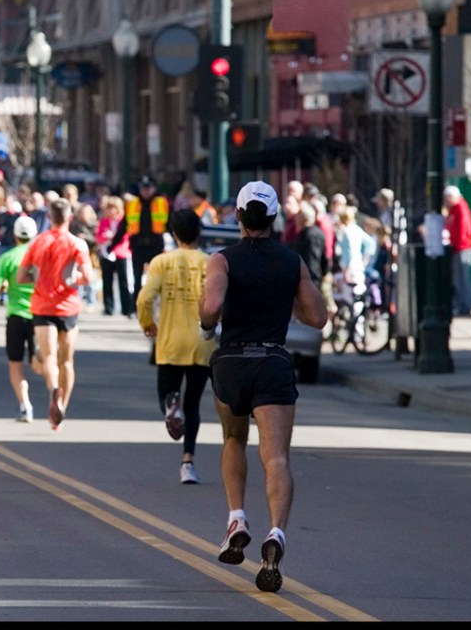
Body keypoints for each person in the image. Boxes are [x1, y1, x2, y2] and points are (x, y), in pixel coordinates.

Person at [198, 181, 327, 594]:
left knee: (233, 439)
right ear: (274, 218)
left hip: (233, 360)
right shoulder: (291, 261)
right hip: (272, 360)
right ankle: (276, 534)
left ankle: (237, 517)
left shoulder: (222, 260)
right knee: (276, 458)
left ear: (238, 216)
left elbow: (213, 306)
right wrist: (285, 292)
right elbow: (317, 317)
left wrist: (205, 322)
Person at [135, 209, 214, 485]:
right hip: (201, 343)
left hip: (169, 341)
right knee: (193, 404)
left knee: (165, 395)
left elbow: (145, 298)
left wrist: (147, 323)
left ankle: (171, 405)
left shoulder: (161, 262)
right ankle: (188, 462)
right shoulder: (210, 263)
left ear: (173, 234)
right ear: (199, 232)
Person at [16, 197, 95, 431]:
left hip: (42, 305)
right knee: (67, 361)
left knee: (49, 357)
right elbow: (88, 277)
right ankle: (61, 410)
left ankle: (53, 392)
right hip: (68, 306)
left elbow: (21, 277)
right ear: (70, 217)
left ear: (49, 217)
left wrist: (37, 278)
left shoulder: (38, 242)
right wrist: (73, 279)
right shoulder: (77, 244)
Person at [0, 215, 44, 422]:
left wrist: (3, 286)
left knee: (15, 364)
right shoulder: (41, 256)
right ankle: (53, 389)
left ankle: (25, 406)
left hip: (16, 315)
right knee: (40, 364)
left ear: (15, 235)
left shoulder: (8, 257)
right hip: (40, 315)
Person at [112, 177, 170, 315]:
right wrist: (113, 244)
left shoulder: (161, 203)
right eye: (144, 188)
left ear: (154, 188)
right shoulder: (132, 204)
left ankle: (155, 307)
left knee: (156, 278)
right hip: (137, 247)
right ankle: (136, 308)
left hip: (155, 246)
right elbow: (123, 227)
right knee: (137, 279)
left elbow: (170, 223)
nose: (146, 191)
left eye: (149, 188)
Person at [95, 195, 133, 317]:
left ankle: (126, 308)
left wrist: (113, 238)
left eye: (113, 208)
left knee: (124, 282)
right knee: (107, 281)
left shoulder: (124, 220)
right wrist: (106, 237)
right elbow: (98, 237)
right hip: (106, 254)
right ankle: (108, 308)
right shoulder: (103, 221)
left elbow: (126, 237)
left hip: (121, 253)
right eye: (109, 208)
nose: (111, 210)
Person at [443, 185, 471, 316]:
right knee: (458, 279)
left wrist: (457, 243)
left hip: (463, 248)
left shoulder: (461, 208)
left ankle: (467, 306)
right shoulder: (453, 209)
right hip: (457, 247)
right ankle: (462, 305)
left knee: (463, 279)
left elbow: (464, 229)